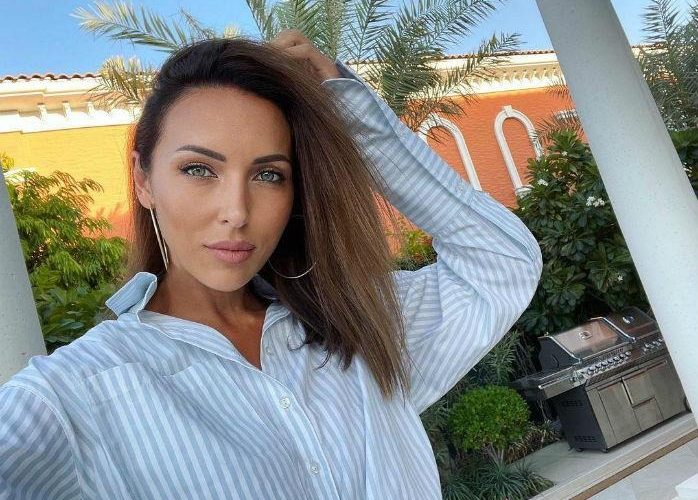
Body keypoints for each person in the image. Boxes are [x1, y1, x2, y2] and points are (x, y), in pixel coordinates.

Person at [0, 30, 543, 499]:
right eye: (198, 169)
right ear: (143, 180)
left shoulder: (356, 325)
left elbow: (502, 262)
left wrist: (350, 112)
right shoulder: (75, 394)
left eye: (268, 175)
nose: (236, 212)